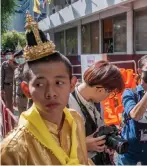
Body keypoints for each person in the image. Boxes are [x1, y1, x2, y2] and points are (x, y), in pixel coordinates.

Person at [1, 12, 92, 165]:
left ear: (72, 84)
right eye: (40, 84)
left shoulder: (75, 120)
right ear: (26, 90)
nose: (51, 93)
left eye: (59, 83)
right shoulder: (12, 149)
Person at [68, 60, 125, 165]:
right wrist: (83, 145)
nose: (108, 97)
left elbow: (99, 129)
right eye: (111, 93)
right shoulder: (66, 103)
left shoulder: (97, 102)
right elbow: (52, 142)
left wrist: (106, 143)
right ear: (101, 90)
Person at [13, 50, 28, 115]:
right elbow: (14, 84)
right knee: (21, 117)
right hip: (19, 98)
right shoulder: (16, 70)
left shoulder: (29, 68)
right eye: (17, 58)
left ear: (24, 57)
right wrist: (14, 98)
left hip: (27, 99)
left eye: (20, 57)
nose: (19, 59)